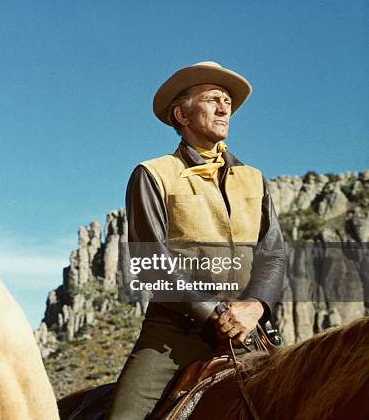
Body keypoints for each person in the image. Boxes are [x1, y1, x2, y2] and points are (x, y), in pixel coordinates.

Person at [108, 61, 285, 419]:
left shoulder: (254, 178)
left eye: (227, 102)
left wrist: (254, 307)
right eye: (212, 99)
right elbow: (153, 265)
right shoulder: (153, 174)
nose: (224, 108)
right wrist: (215, 312)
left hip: (250, 331)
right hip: (174, 336)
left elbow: (274, 255)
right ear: (182, 114)